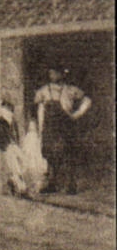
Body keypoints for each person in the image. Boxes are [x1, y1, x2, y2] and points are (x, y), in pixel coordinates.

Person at [35, 66, 92, 195]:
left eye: (55, 72)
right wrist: (40, 128)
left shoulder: (70, 90)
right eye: (50, 72)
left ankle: (71, 184)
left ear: (62, 74)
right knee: (50, 154)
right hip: (50, 127)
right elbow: (39, 110)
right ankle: (52, 183)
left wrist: (77, 114)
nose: (52, 74)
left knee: (68, 153)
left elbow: (87, 100)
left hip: (66, 125)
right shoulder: (43, 91)